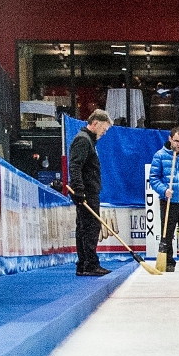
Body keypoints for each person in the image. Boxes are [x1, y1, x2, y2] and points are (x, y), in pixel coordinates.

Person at [68, 109, 112, 277]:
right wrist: (78, 190)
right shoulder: (83, 140)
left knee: (85, 227)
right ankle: (89, 264)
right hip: (86, 192)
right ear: (95, 124)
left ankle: (84, 264)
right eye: (104, 129)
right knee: (90, 227)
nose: (104, 133)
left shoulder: (88, 141)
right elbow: (75, 166)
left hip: (89, 190)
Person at [148, 126, 179, 272]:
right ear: (170, 139)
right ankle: (168, 262)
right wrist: (164, 190)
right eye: (176, 141)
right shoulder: (160, 155)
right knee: (167, 234)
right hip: (168, 201)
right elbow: (154, 178)